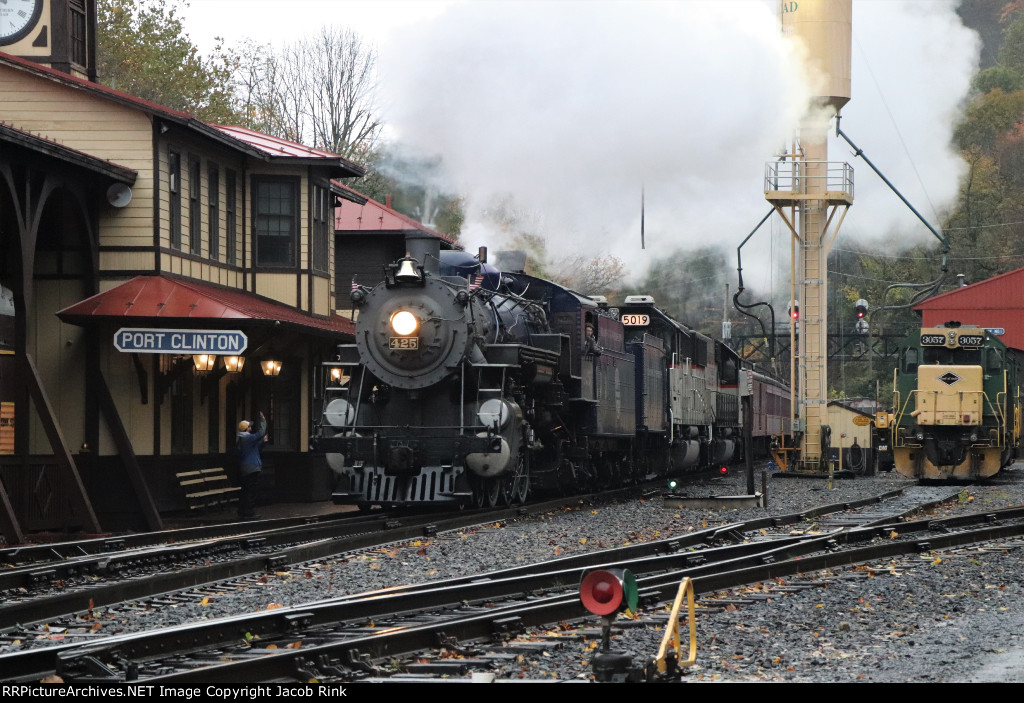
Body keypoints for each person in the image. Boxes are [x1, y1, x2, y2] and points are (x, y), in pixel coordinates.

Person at [236, 411, 267, 519]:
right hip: (252, 468)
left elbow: (256, 449)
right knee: (250, 491)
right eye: (249, 427)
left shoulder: (242, 440)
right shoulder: (247, 438)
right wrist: (263, 420)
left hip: (246, 467)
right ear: (246, 429)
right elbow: (261, 432)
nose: (250, 428)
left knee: (245, 490)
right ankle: (249, 512)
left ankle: (242, 511)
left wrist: (263, 442)